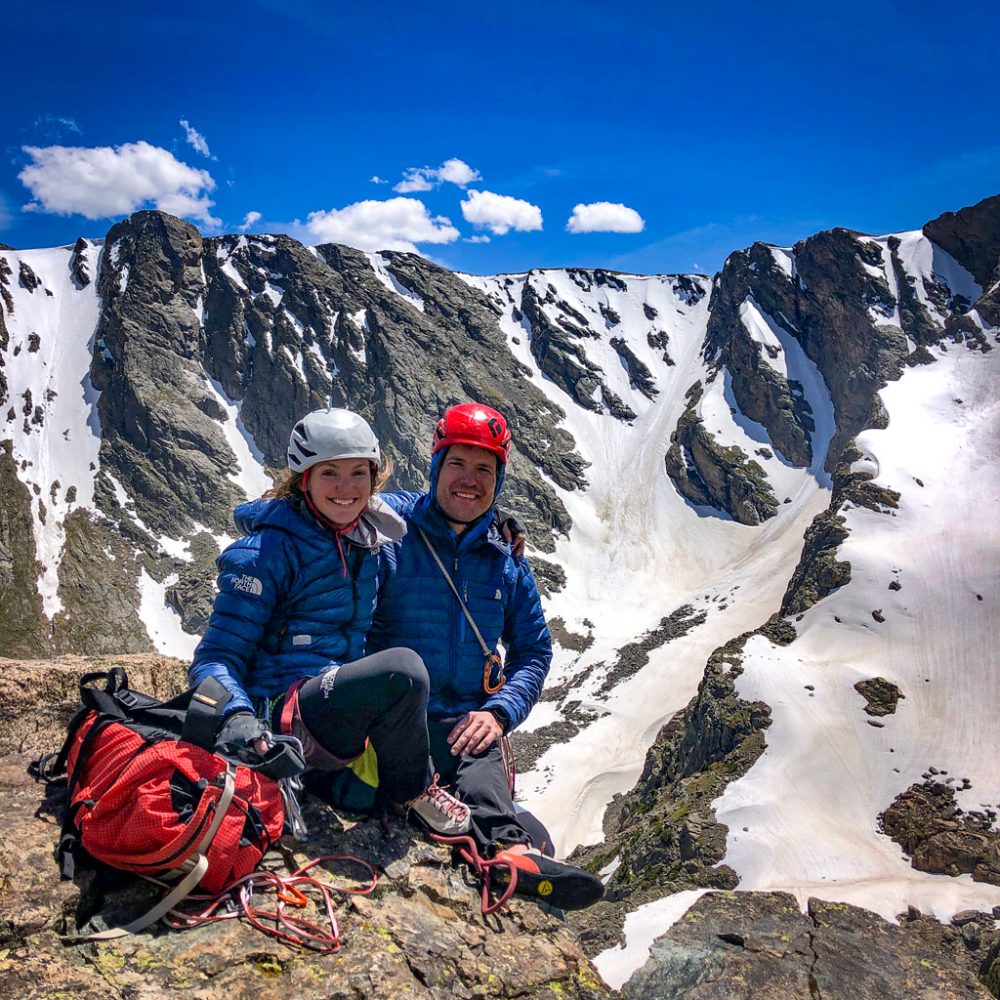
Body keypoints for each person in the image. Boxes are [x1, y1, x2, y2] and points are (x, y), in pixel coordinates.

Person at [189, 407, 470, 837]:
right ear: (304, 480)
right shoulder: (266, 551)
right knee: (405, 672)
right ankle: (414, 794)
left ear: (374, 480)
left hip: (328, 708)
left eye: (359, 473)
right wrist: (240, 719)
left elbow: (429, 506)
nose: (346, 488)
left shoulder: (364, 535)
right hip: (283, 713)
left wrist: (494, 526)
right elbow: (215, 657)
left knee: (439, 732)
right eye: (329, 474)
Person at [368, 402, 604, 911]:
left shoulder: (506, 560)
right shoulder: (389, 530)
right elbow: (332, 506)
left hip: (465, 726)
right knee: (502, 817)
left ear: (499, 480)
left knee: (513, 810)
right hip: (395, 718)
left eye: (484, 469)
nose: (469, 480)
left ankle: (510, 854)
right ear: (435, 467)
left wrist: (498, 713)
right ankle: (504, 851)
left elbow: (534, 650)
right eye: (457, 464)